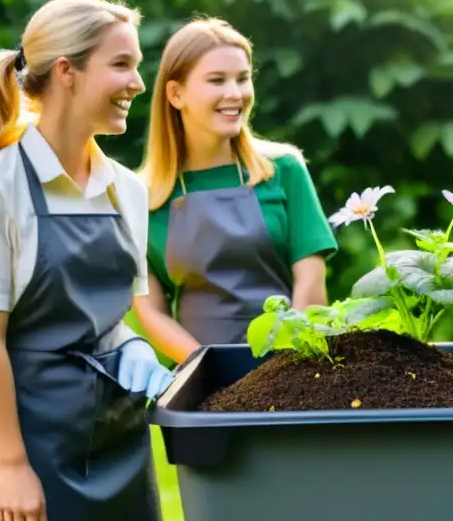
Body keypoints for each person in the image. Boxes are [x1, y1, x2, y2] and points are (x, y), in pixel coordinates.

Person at [0, 0, 174, 521]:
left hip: (115, 440)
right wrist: (11, 466)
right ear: (67, 71)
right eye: (121, 65)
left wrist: (139, 356)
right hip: (25, 438)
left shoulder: (123, 187)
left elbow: (115, 318)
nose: (139, 82)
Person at [133, 18, 336, 363]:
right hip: (201, 377)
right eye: (217, 80)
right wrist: (208, 366)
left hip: (291, 366)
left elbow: (311, 282)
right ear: (175, 94)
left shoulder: (283, 170)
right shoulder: (140, 197)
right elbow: (151, 311)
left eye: (243, 78)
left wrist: (288, 364)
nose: (235, 94)